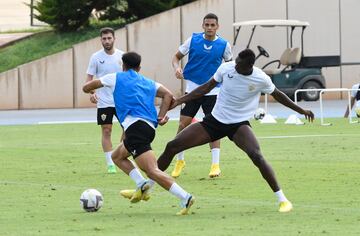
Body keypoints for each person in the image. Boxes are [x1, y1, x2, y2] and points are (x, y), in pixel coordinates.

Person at [157, 49, 315, 213]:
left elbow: (279, 95)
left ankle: (282, 199)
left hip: (238, 125)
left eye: (239, 63)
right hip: (215, 121)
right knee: (172, 146)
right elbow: (205, 88)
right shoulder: (227, 68)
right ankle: (147, 185)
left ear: (249, 66)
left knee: (257, 156)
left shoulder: (261, 78)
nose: (235, 65)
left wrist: (301, 110)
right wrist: (179, 101)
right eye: (236, 61)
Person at [83, 52, 195, 215]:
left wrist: (92, 92)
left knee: (152, 171)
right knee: (117, 156)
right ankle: (141, 184)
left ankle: (185, 197)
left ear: (123, 65)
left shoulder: (115, 77)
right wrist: (161, 116)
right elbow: (168, 95)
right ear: (139, 68)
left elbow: (86, 87)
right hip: (148, 128)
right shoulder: (148, 82)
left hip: (136, 129)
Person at [171, 13, 233, 178]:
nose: (210, 28)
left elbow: (230, 66)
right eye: (207, 25)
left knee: (215, 127)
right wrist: (177, 68)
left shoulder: (224, 45)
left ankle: (215, 165)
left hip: (213, 91)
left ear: (217, 26)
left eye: (213, 25)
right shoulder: (192, 40)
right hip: (192, 90)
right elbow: (176, 58)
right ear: (203, 25)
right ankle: (180, 161)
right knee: (182, 125)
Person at [86, 27, 124, 173]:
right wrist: (92, 92)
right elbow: (89, 79)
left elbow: (129, 77)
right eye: (104, 39)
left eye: (109, 38)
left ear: (114, 39)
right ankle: (110, 163)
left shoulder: (122, 56)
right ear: (101, 40)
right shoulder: (95, 57)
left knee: (127, 128)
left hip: (121, 100)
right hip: (104, 101)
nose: (107, 41)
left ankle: (120, 155)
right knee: (106, 130)